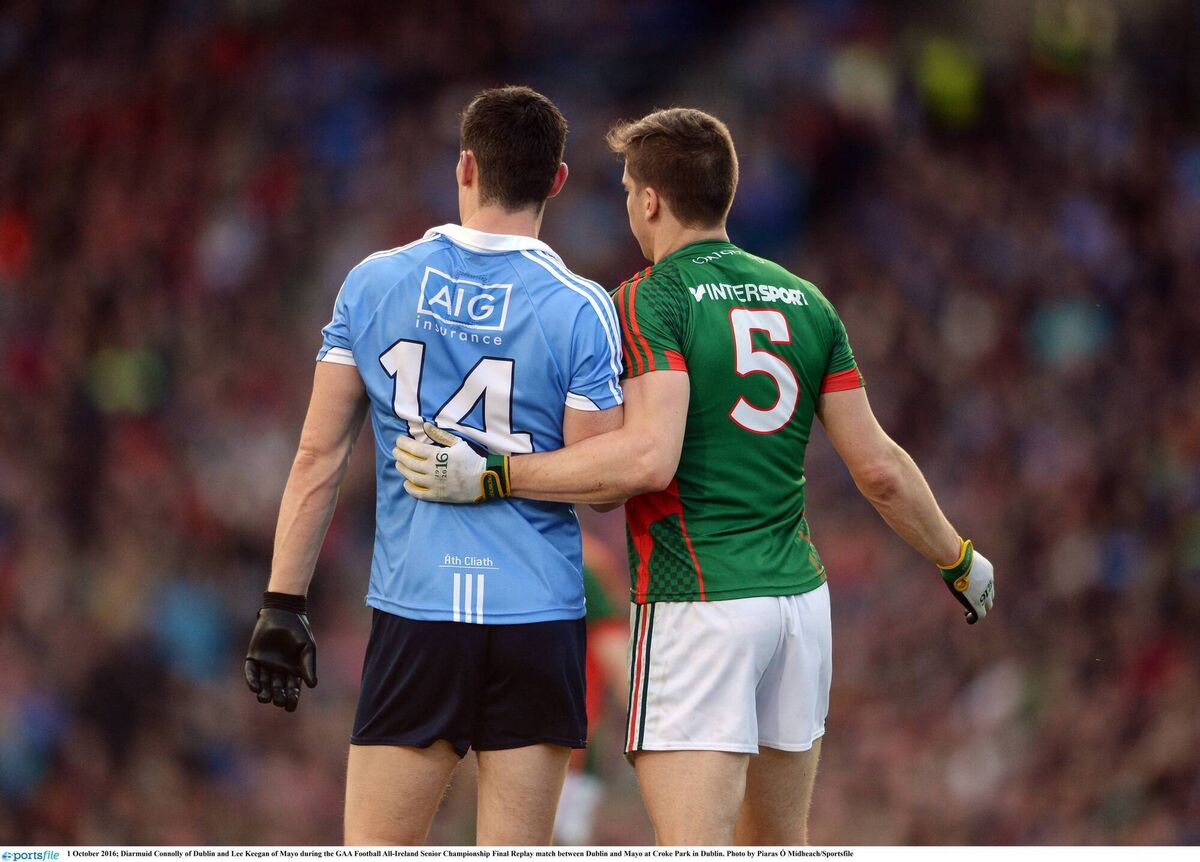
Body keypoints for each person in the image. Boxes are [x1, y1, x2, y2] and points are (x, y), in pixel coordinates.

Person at [395, 107, 995, 846]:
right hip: (799, 610)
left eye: (624, 190)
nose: (625, 205)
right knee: (780, 844)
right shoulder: (807, 301)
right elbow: (880, 471)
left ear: (650, 199)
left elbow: (648, 459)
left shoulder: (652, 297)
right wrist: (957, 559)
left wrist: (491, 475)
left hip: (699, 603)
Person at [242, 86, 625, 845]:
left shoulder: (374, 282)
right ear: (557, 180)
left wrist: (283, 601)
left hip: (419, 616)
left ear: (465, 168)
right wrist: (503, 471)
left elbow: (319, 456)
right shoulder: (581, 309)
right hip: (537, 618)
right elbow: (603, 481)